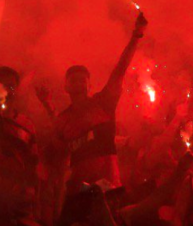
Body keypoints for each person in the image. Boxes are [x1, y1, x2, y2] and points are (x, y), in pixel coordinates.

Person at [55, 12, 148, 196]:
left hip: (107, 186)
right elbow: (59, 158)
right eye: (73, 80)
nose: (78, 83)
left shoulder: (103, 102)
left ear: (90, 85)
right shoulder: (62, 119)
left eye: (83, 79)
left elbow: (120, 69)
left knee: (107, 222)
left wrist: (135, 37)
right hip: (78, 189)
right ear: (65, 86)